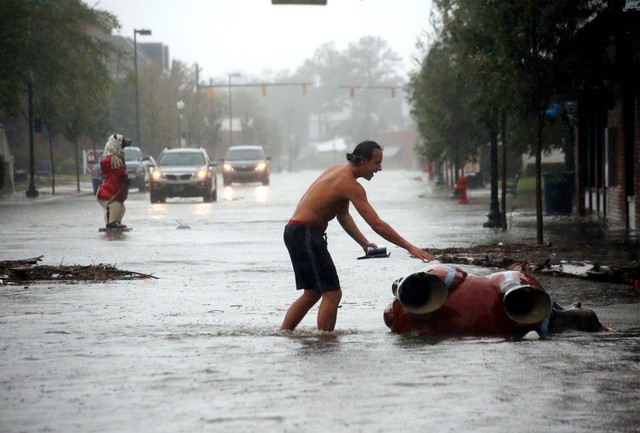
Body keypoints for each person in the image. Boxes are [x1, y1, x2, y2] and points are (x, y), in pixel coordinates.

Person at [280, 140, 435, 332]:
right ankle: (325, 343)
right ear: (362, 161)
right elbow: (377, 224)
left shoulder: (337, 170)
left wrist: (364, 243)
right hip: (306, 234)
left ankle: (284, 334)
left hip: (295, 231)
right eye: (376, 163)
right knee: (332, 293)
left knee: (313, 293)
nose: (379, 169)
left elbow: (342, 215)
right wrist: (410, 247)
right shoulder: (351, 185)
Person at [97, 133, 131, 229]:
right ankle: (110, 223)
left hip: (115, 191)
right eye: (123, 142)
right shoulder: (111, 159)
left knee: (121, 208)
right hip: (109, 192)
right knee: (113, 207)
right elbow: (119, 172)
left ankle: (116, 222)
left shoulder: (115, 158)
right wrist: (125, 177)